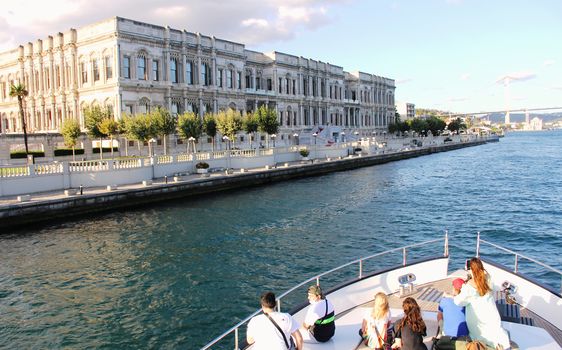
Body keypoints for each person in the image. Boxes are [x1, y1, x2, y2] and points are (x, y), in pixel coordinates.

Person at [454, 257, 510, 349]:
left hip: (477, 318)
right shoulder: (488, 278)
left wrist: (457, 293)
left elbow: (458, 302)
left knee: (479, 338)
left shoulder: (468, 287)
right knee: (496, 334)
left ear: (471, 270)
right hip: (491, 314)